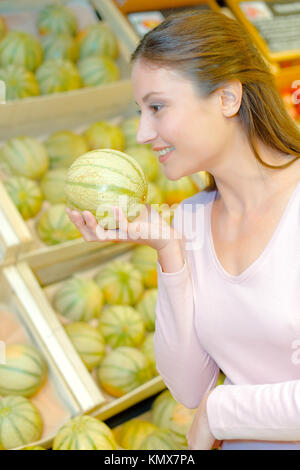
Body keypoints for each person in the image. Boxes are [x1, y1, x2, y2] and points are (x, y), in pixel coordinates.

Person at [66, 10, 300, 450]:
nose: (141, 133)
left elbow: (206, 406)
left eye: (157, 107)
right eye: (139, 111)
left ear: (228, 98)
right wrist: (168, 252)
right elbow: (189, 388)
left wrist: (219, 411)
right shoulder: (190, 218)